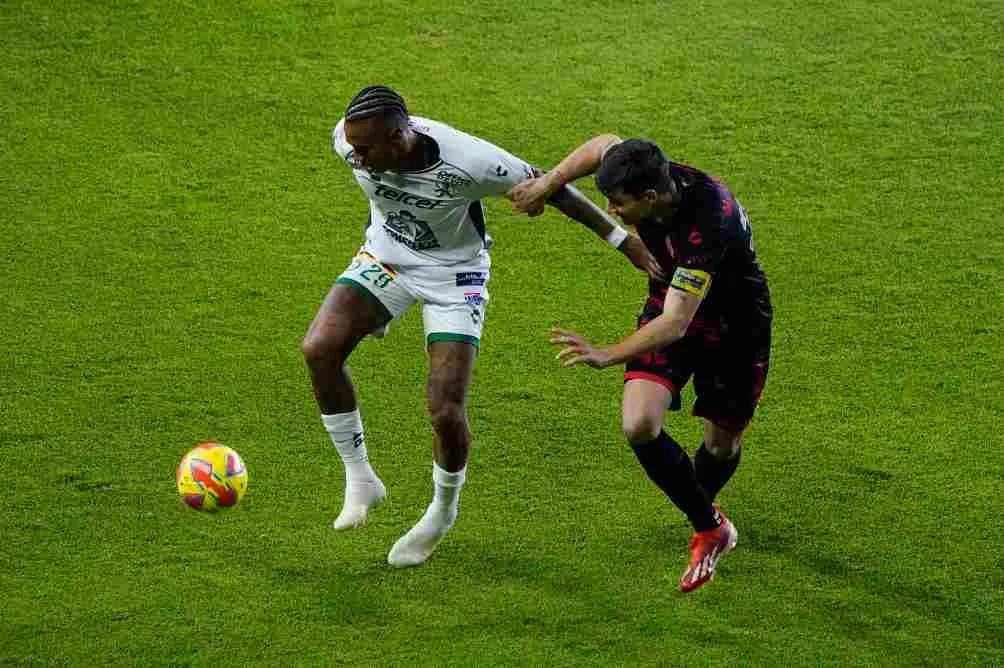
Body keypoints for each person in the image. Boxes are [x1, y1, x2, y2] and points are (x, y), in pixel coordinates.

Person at [304, 86, 661, 568]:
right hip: (386, 259)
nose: (356, 158)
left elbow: (551, 188)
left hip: (455, 278)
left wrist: (625, 242)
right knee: (319, 348)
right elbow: (359, 155)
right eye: (353, 147)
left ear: (398, 136)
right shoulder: (349, 143)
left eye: (367, 150)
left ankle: (441, 512)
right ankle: (361, 477)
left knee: (444, 409)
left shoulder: (470, 160)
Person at [510, 136, 772, 592]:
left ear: (650, 198)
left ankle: (701, 512)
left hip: (734, 326)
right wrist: (548, 184)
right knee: (639, 424)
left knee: (721, 445)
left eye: (618, 204)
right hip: (670, 297)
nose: (612, 210)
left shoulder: (712, 222)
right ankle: (712, 529)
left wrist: (607, 353)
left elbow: (676, 323)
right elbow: (604, 144)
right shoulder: (644, 170)